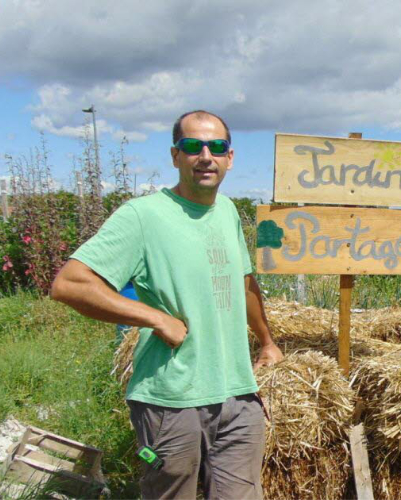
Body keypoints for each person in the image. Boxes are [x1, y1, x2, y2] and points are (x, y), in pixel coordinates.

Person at [51, 110, 283, 499]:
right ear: (175, 156)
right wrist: (153, 317)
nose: (205, 155)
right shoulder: (142, 216)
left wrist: (267, 342)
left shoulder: (226, 211)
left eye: (216, 146)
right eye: (193, 146)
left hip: (237, 396)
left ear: (230, 157)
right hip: (171, 400)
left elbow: (243, 283)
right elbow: (70, 285)